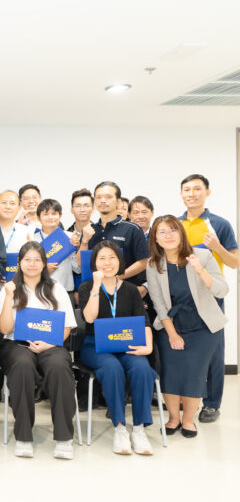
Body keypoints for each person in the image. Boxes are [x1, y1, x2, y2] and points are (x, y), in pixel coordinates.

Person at [146, 215, 228, 438]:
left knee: (195, 372)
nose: (168, 236)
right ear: (155, 238)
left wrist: (201, 271)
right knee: (170, 372)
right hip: (171, 323)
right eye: (162, 232)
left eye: (173, 230)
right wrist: (172, 334)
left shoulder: (202, 256)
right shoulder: (153, 264)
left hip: (203, 326)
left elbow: (222, 290)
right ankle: (173, 418)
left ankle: (189, 420)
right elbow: (158, 303)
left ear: (181, 233)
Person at [0, 241, 77, 459]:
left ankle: (64, 437)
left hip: (51, 343)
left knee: (59, 367)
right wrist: (9, 297)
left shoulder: (56, 288)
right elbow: (4, 329)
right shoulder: (9, 288)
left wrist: (50, 343)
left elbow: (67, 327)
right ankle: (23, 436)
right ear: (19, 262)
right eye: (27, 259)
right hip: (16, 344)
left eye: (37, 260)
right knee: (22, 366)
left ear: (44, 263)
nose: (32, 264)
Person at [78, 241, 156, 455]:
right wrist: (96, 286)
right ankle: (120, 428)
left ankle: (139, 428)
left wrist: (148, 347)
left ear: (120, 261)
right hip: (96, 346)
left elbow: (144, 321)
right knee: (112, 368)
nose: (107, 262)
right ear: (94, 263)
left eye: (112, 257)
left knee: (142, 368)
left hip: (125, 344)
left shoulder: (130, 290)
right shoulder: (86, 287)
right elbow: (89, 318)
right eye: (102, 258)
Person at [179, 174, 238, 424]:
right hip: (181, 297)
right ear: (181, 194)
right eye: (187, 189)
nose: (191, 194)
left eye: (197, 189)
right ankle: (185, 399)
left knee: (214, 353)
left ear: (207, 193)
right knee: (182, 349)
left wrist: (217, 247)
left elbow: (234, 262)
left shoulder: (219, 225)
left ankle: (212, 404)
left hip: (210, 296)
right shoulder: (175, 225)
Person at [78, 181, 149, 290]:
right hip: (96, 290)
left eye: (108, 197)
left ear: (118, 201)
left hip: (125, 289)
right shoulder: (89, 230)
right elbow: (80, 264)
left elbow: (144, 261)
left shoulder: (132, 229)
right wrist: (84, 241)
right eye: (98, 197)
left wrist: (117, 277)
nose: (103, 200)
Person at [33, 199, 77, 291]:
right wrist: (43, 270)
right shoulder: (32, 239)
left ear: (60, 216)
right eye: (46, 214)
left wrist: (77, 247)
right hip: (39, 290)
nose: (50, 217)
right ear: (38, 218)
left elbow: (77, 269)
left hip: (66, 290)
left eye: (54, 214)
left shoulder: (70, 237)